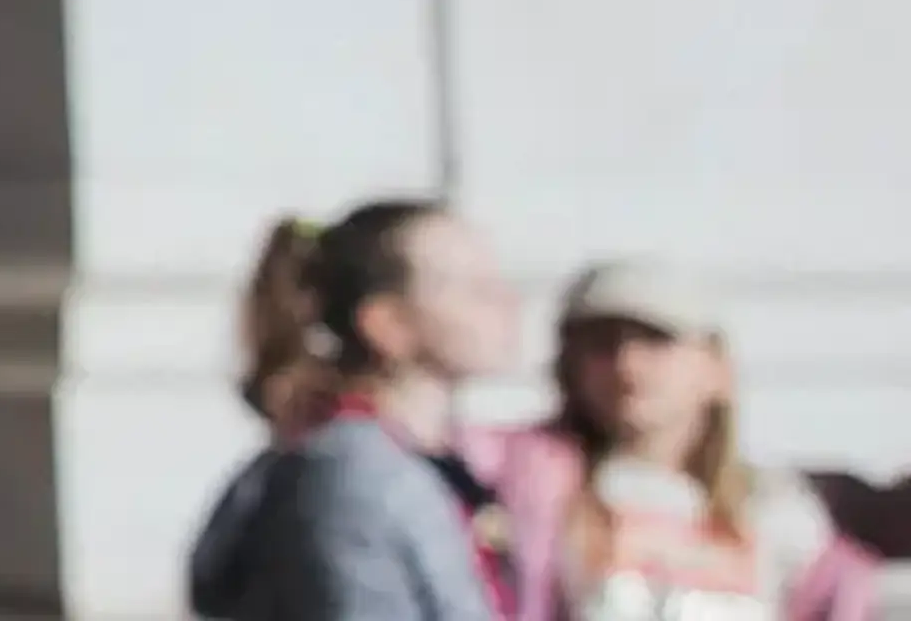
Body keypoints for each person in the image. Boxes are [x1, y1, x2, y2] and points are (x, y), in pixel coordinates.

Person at [190, 202, 529, 621]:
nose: (508, 303)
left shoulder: (430, 461)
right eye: (475, 289)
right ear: (388, 325)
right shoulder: (350, 479)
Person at [493, 262, 871, 621]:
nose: (627, 363)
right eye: (602, 346)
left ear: (715, 367)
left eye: (656, 340)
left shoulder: (778, 512)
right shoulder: (523, 490)